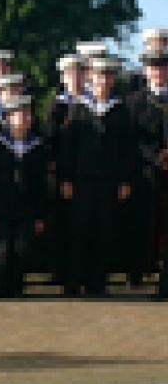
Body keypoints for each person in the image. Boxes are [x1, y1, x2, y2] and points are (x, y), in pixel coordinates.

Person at [63, 56, 133, 296]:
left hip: (108, 180)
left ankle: (97, 284)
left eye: (108, 76)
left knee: (104, 231)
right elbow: (68, 147)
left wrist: (125, 180)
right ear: (90, 77)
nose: (103, 80)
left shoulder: (120, 109)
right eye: (99, 75)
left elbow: (127, 148)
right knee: (79, 230)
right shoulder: (78, 107)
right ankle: (73, 283)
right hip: (81, 180)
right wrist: (66, 179)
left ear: (112, 80)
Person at [0, 95, 48, 298]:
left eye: (28, 114)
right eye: (20, 114)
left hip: (26, 208)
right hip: (0, 207)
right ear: (8, 118)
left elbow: (41, 185)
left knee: (21, 249)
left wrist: (40, 215)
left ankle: (16, 288)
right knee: (2, 251)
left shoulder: (36, 147)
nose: (25, 118)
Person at [126, 49, 168, 289]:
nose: (158, 73)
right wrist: (156, 156)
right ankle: (137, 271)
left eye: (162, 68)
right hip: (144, 172)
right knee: (141, 223)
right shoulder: (135, 102)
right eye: (154, 69)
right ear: (146, 71)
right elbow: (131, 139)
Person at [46, 54, 87, 287]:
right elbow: (51, 140)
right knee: (62, 225)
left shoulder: (92, 104)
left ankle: (80, 273)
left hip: (87, 174)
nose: (76, 78)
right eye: (71, 73)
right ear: (63, 77)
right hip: (62, 173)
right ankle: (61, 272)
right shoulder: (58, 105)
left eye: (80, 73)